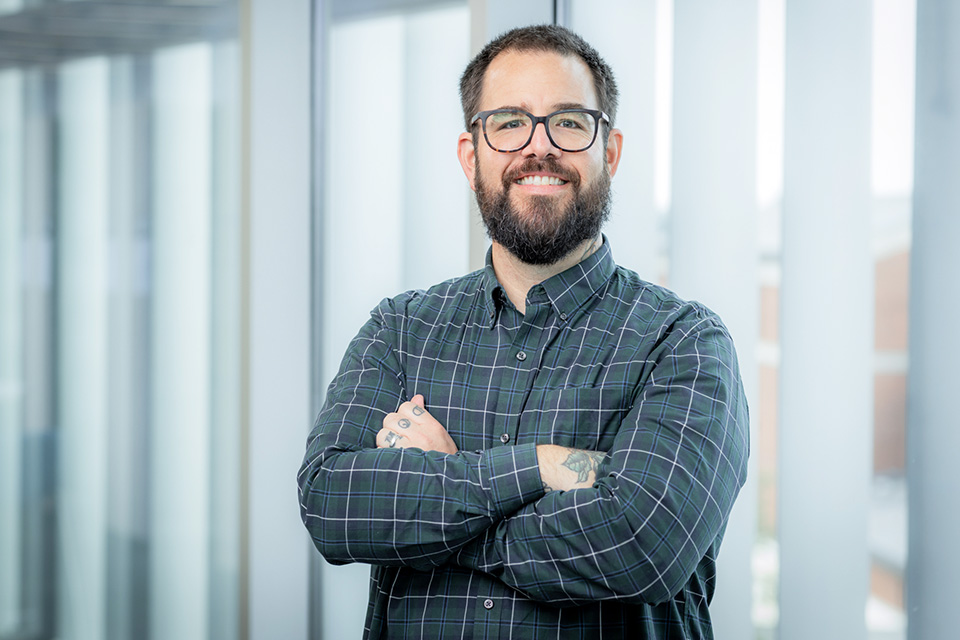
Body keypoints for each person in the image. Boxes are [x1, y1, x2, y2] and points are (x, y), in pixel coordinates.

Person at [298, 24, 749, 639]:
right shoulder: (400, 331)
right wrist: (542, 466)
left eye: (568, 121)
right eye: (509, 122)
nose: (539, 147)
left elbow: (643, 543)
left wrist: (443, 493)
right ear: (470, 154)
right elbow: (331, 505)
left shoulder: (684, 344)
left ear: (608, 152)